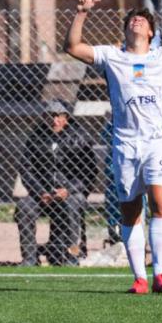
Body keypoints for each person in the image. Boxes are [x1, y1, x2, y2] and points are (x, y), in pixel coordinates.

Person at [64, 0, 162, 294]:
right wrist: (81, 14)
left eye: (142, 19)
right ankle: (139, 277)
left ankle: (160, 274)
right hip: (125, 144)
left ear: (150, 32)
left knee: (160, 203)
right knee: (130, 210)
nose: (137, 20)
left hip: (156, 141)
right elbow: (73, 47)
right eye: (132, 18)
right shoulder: (110, 56)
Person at [16, 100, 96, 266]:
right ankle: (30, 259)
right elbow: (26, 170)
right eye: (50, 116)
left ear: (66, 118)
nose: (55, 121)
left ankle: (72, 256)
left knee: (72, 204)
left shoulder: (79, 137)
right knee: (24, 206)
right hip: (43, 194)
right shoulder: (35, 138)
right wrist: (39, 192)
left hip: (70, 193)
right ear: (44, 117)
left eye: (59, 116)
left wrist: (69, 190)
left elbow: (89, 173)